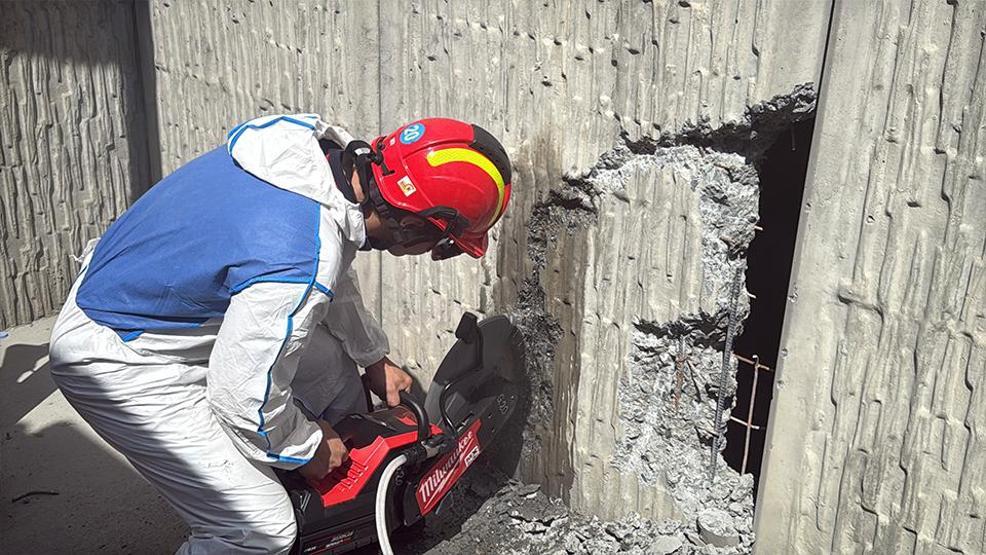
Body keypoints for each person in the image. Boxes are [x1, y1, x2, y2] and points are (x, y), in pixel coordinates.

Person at [48, 115, 512, 554]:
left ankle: (350, 518)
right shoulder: (297, 259)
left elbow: (326, 261)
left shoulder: (313, 156)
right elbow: (241, 397)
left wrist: (372, 358)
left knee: (334, 370)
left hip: (164, 299)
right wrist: (304, 447)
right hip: (121, 355)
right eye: (437, 244)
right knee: (259, 528)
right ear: (411, 227)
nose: (427, 254)